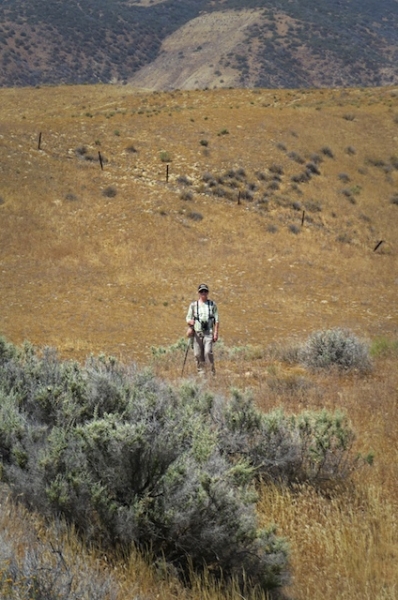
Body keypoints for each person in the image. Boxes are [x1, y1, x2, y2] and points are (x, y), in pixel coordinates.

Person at [186, 283, 219, 375]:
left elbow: (217, 320)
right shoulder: (193, 305)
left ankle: (211, 373)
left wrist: (216, 333)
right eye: (201, 291)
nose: (203, 293)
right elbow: (188, 318)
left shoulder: (212, 305)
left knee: (208, 352)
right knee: (197, 354)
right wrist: (190, 322)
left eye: (205, 291)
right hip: (197, 333)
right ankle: (201, 374)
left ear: (208, 292)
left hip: (208, 332)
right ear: (198, 293)